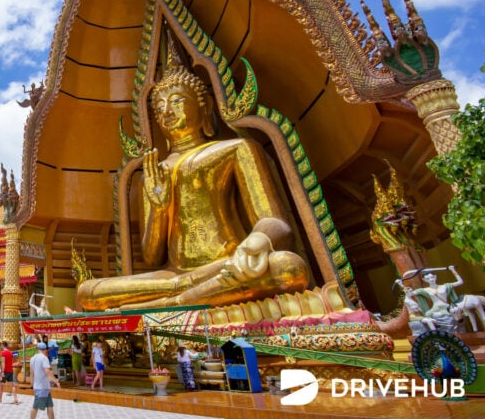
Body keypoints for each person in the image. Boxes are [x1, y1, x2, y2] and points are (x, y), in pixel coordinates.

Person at [77, 59, 310, 310]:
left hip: (228, 264)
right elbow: (152, 257)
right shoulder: (154, 175)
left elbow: (275, 221)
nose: (167, 112)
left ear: (205, 106)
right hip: (174, 277)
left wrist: (257, 241)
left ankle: (172, 304)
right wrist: (158, 208)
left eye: (177, 101)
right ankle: (183, 298)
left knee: (287, 267)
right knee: (89, 292)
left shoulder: (236, 149)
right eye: (159, 107)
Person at [29, 342, 60, 419]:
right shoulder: (44, 358)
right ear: (45, 349)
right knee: (35, 407)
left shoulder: (32, 359)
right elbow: (47, 371)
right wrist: (56, 381)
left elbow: (31, 373)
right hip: (42, 388)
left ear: (37, 349)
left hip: (41, 387)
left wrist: (32, 384)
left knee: (50, 406)